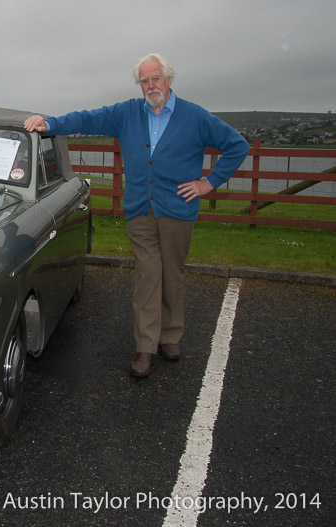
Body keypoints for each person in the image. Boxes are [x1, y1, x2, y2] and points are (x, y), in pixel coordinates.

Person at [24, 53, 249, 378]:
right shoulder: (126, 113)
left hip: (178, 210)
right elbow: (88, 119)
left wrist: (208, 182)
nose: (150, 85)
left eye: (155, 78)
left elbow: (237, 146)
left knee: (172, 274)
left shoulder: (195, 116)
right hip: (141, 209)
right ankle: (145, 347)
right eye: (144, 80)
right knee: (147, 275)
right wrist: (51, 123)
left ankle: (170, 336)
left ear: (169, 80)